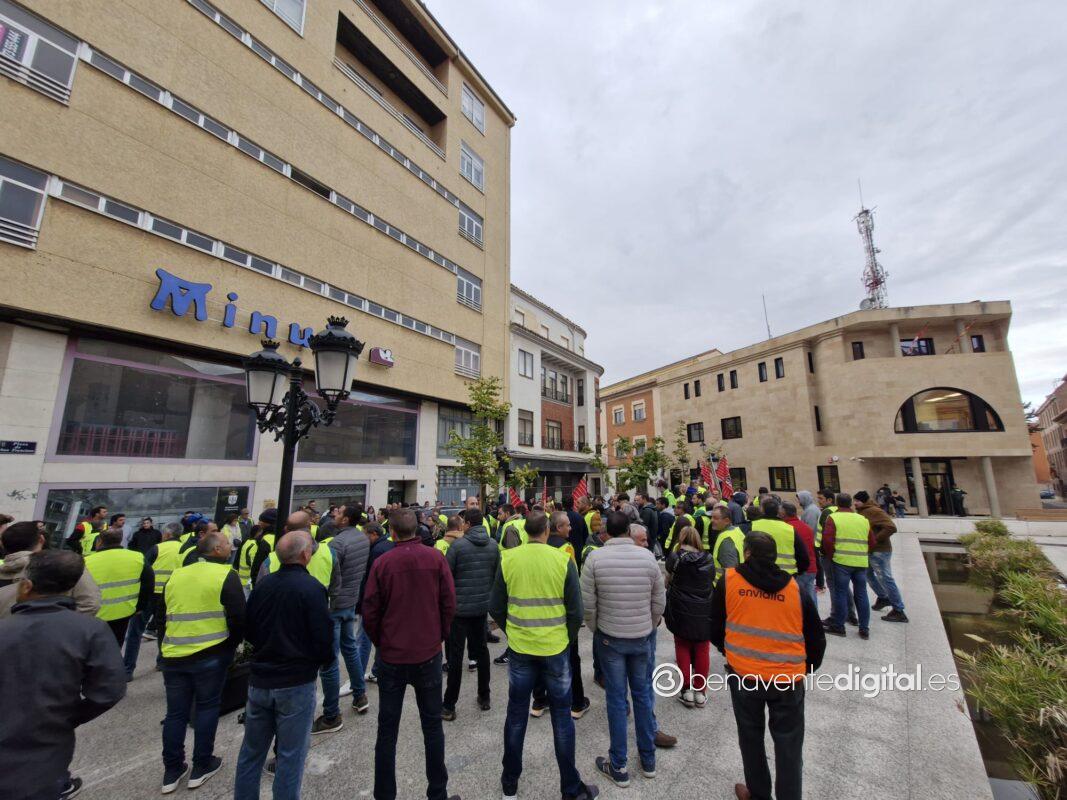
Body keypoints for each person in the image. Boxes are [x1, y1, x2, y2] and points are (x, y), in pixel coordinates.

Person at [0, 551, 126, 800]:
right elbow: (110, 689)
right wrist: (70, 715)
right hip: (47, 749)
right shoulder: (90, 630)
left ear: (26, 586)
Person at [489, 511, 597, 800]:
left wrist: (513, 631)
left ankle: (509, 784)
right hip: (555, 648)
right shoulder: (562, 560)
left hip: (521, 648)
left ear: (526, 531)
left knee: (515, 716)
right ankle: (570, 789)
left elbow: (495, 605)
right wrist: (566, 638)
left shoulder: (508, 559)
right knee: (562, 718)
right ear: (548, 531)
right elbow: (576, 611)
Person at [711, 532, 826, 800]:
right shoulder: (795, 589)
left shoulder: (729, 581)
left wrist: (729, 652)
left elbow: (714, 626)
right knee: (789, 746)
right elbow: (816, 638)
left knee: (750, 737)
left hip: (744, 674)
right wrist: (805, 668)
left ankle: (759, 793)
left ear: (747, 553)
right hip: (787, 678)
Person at [361, 508, 460, 800]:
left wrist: (382, 642)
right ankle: (438, 793)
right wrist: (438, 636)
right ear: (417, 530)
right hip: (427, 654)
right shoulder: (435, 558)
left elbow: (369, 610)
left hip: (392, 656)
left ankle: (385, 794)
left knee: (387, 731)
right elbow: (449, 603)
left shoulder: (382, 563)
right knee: (432, 726)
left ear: (391, 533)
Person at [233, 531, 334, 800]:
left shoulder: (263, 585)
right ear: (305, 555)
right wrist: (321, 661)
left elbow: (249, 627)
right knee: (291, 755)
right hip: (295, 681)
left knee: (250, 753)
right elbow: (323, 637)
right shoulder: (312, 589)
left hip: (260, 679)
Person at [581, 510, 666, 787]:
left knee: (617, 700)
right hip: (641, 636)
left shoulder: (595, 558)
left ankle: (618, 764)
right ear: (629, 531)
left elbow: (588, 603)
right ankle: (648, 760)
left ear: (606, 533)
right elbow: (659, 600)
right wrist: (649, 624)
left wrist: (596, 627)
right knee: (642, 695)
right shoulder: (647, 558)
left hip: (610, 638)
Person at [160, 531, 245, 793]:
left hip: (173, 652)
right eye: (227, 544)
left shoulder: (176, 575)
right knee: (207, 707)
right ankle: (202, 763)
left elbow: (163, 613)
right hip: (211, 652)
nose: (231, 547)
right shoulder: (225, 574)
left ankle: (172, 770)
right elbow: (239, 617)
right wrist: (231, 646)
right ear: (216, 549)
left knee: (176, 714)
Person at [310, 505, 372, 734]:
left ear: (345, 519)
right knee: (350, 649)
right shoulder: (362, 538)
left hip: (335, 605)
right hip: (350, 601)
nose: (334, 515)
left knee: (329, 661)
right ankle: (360, 695)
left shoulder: (337, 544)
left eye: (338, 513)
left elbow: (331, 577)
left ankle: (331, 714)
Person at [531, 512, 589, 720]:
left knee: (538, 658)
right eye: (567, 525)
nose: (570, 529)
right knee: (571, 659)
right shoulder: (566, 548)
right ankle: (577, 703)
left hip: (539, 609)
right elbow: (572, 581)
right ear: (557, 527)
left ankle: (539, 701)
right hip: (561, 611)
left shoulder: (539, 546)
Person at [442, 508, 499, 720]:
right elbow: (496, 575)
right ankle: (485, 696)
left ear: (467, 524)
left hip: (460, 610)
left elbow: (446, 578)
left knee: (456, 656)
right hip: (481, 608)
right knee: (482, 651)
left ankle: (449, 704)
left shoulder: (457, 547)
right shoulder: (493, 545)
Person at [0, 520, 101, 617]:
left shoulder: (4, 570)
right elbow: (90, 604)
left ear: (3, 544)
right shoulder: (65, 565)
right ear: (41, 539)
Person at [123, 521, 184, 677]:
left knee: (135, 632)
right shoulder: (186, 549)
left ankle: (128, 670)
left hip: (150, 595)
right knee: (165, 631)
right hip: (171, 596)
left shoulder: (158, 548)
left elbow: (142, 569)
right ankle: (162, 662)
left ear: (167, 534)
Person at [664, 526, 714, 708]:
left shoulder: (675, 557)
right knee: (702, 648)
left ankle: (686, 690)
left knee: (682, 645)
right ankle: (700, 691)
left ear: (681, 538)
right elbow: (710, 580)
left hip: (680, 607)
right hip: (703, 608)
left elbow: (667, 581)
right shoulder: (708, 558)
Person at [84, 529, 154, 651]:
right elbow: (148, 584)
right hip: (123, 613)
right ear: (120, 540)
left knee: (89, 649)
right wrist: (140, 607)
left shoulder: (86, 561)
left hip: (93, 614)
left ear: (99, 541)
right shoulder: (137, 557)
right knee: (114, 649)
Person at [821, 493, 876, 639]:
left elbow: (827, 540)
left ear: (836, 503)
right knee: (862, 594)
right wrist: (863, 553)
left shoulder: (833, 517)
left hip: (841, 561)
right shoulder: (862, 519)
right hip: (860, 562)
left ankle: (839, 626)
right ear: (850, 503)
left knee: (840, 593)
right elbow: (872, 541)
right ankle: (864, 628)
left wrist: (832, 556)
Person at [854, 491, 907, 622]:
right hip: (870, 550)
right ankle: (883, 597)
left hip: (879, 551)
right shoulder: (862, 511)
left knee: (885, 578)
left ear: (863, 501)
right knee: (868, 574)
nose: (854, 503)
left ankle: (899, 610)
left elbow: (891, 527)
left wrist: (875, 540)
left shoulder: (874, 511)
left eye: (857, 501)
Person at [356, 521, 392, 685]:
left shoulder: (377, 550)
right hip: (385, 600)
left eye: (365, 535)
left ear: (374, 534)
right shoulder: (386, 545)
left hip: (374, 602)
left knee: (364, 639)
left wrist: (364, 602)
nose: (363, 539)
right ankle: (377, 671)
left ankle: (357, 677)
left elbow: (371, 580)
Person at [780, 502, 817, 605]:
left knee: (800, 600)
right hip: (811, 567)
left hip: (799, 568)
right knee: (811, 597)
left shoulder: (787, 528)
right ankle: (814, 615)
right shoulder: (807, 527)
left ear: (783, 514)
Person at [710, 505, 745, 586]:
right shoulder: (736, 530)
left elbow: (730, 569)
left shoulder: (726, 540)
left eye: (715, 518)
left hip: (724, 587)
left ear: (726, 521)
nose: (711, 520)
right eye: (711, 517)